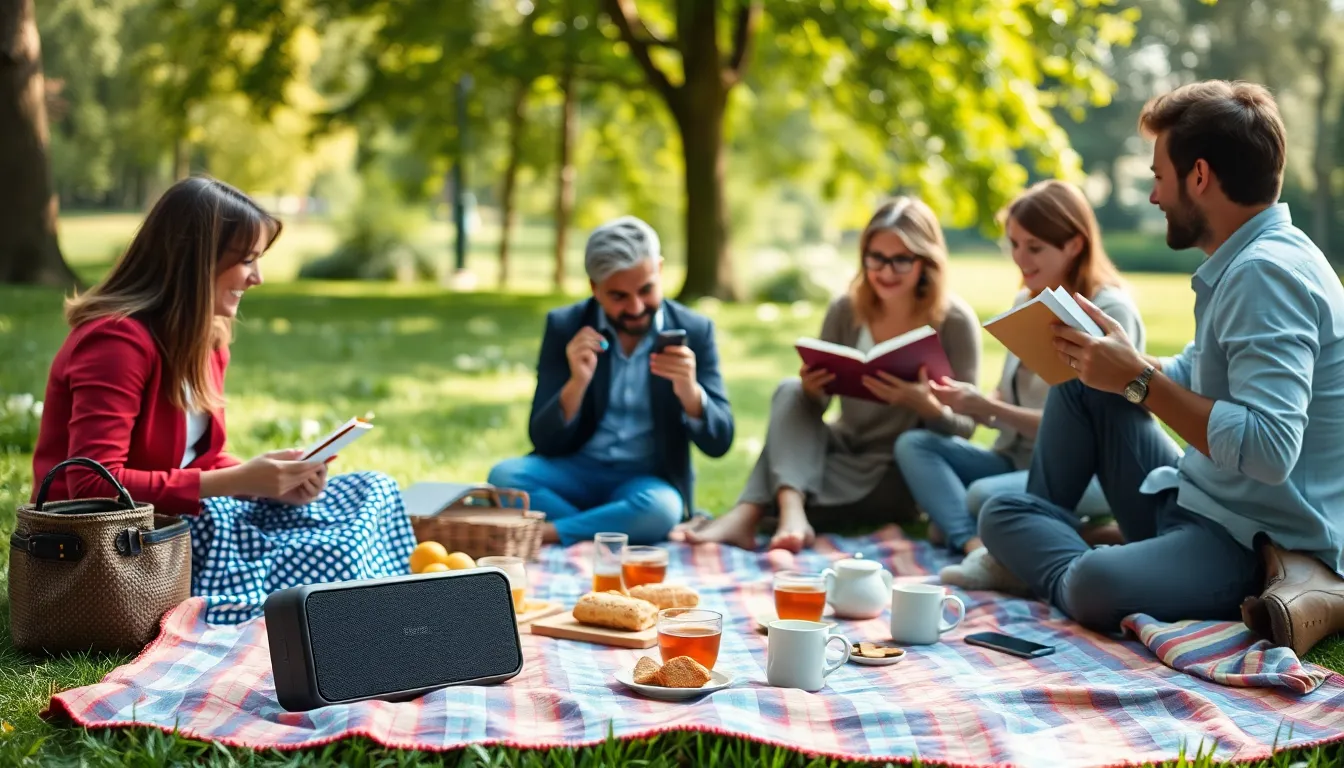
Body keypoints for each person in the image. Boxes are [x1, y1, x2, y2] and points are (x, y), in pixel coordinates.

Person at [976, 80, 1344, 632]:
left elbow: (1270, 450)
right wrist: (1123, 362)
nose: (1154, 195)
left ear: (1199, 176)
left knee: (1092, 584)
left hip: (1254, 539)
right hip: (1199, 499)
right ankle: (1074, 543)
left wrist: (1140, 382)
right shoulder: (1243, 262)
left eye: (1157, 177)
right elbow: (1193, 374)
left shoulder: (1264, 274)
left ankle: (1075, 565)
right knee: (1019, 482)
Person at [30, 176, 417, 624]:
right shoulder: (117, 342)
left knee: (373, 490)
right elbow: (93, 485)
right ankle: (350, 614)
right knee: (328, 550)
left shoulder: (208, 337)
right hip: (126, 540)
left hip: (191, 514)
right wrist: (242, 482)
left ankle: (371, 606)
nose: (258, 277)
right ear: (198, 262)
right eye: (247, 260)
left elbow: (203, 460)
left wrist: (273, 476)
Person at [673, 197, 982, 552]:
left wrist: (925, 406)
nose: (885, 271)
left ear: (926, 262)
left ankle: (754, 511)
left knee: (784, 471)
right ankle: (791, 511)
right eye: (876, 258)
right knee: (789, 390)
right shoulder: (846, 309)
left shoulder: (954, 321)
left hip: (895, 468)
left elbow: (966, 429)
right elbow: (814, 407)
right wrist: (812, 389)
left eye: (901, 260)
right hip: (841, 447)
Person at [894, 181, 1144, 584]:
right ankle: (980, 544)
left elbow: (1086, 429)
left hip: (1082, 471)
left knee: (979, 497)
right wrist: (966, 400)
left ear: (1075, 245)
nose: (1019, 258)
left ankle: (987, 543)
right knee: (915, 445)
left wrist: (989, 410)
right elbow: (1006, 395)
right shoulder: (1026, 301)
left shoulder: (1107, 312)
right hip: (1015, 457)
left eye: (1034, 247)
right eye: (1013, 244)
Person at [486, 216, 734, 546]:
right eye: (618, 296)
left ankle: (553, 532)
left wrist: (690, 392)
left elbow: (720, 443)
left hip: (644, 481)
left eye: (646, 290)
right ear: (594, 288)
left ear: (659, 269)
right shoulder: (566, 326)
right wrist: (576, 383)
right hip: (574, 471)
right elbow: (544, 439)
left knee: (662, 508)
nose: (635, 307)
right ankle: (613, 524)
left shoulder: (695, 331)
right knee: (503, 477)